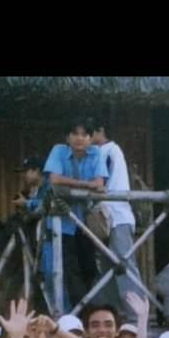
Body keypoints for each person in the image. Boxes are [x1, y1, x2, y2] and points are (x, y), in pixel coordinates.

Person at [42, 118, 105, 307]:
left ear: (91, 138)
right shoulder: (59, 151)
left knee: (90, 269)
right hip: (61, 223)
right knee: (68, 270)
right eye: (75, 134)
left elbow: (100, 183)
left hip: (84, 223)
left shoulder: (96, 153)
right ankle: (77, 313)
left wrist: (86, 185)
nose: (79, 138)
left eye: (84, 134)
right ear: (67, 137)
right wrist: (86, 185)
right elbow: (54, 179)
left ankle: (86, 311)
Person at [86, 117, 138, 315]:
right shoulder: (101, 152)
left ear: (100, 131)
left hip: (118, 216)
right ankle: (116, 312)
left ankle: (135, 314)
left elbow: (100, 182)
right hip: (105, 218)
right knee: (107, 268)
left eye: (90, 134)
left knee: (124, 266)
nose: (87, 139)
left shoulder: (110, 151)